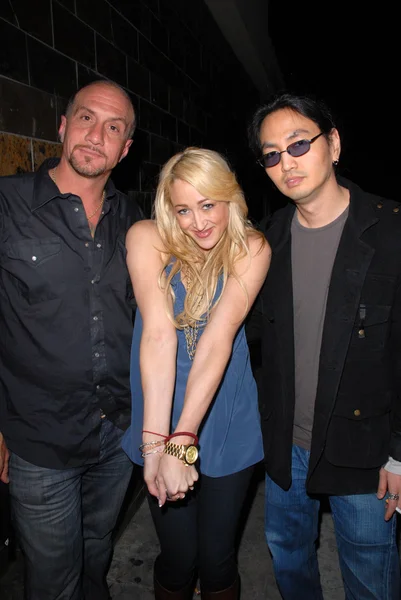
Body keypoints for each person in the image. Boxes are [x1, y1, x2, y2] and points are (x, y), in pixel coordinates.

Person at [247, 92, 401, 599]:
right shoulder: (268, 242)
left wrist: (399, 455)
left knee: (369, 575)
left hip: (366, 447)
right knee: (288, 559)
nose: (285, 163)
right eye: (271, 155)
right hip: (286, 444)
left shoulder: (391, 230)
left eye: (297, 145)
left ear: (332, 144)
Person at [0, 79, 143, 600]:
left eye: (113, 128)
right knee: (53, 578)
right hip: (39, 436)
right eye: (86, 118)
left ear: (125, 149)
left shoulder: (137, 224)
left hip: (119, 432)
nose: (95, 135)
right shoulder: (7, 205)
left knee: (97, 546)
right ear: (63, 125)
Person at [122, 147, 271, 599]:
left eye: (209, 204)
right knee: (178, 555)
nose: (198, 221)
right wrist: (156, 445)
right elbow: (159, 337)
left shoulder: (252, 247)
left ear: (230, 198)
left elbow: (216, 340)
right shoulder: (146, 236)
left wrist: (182, 443)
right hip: (160, 408)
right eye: (183, 209)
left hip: (226, 417)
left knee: (216, 557)